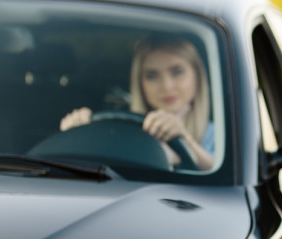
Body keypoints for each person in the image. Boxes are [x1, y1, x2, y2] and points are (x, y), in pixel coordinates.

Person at [60, 32, 215, 171]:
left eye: (177, 72)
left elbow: (224, 174)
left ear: (198, 76)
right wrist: (77, 134)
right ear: (140, 83)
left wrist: (184, 139)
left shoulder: (218, 135)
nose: (166, 86)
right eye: (152, 76)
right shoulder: (123, 131)